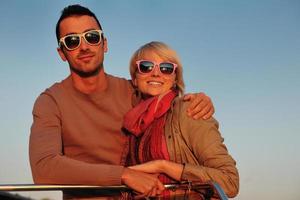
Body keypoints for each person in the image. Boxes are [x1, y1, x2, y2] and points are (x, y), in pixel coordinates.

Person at [29, 4, 215, 199]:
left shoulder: (134, 92)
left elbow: (170, 105)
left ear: (104, 43)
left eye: (92, 37)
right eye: (72, 41)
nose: (84, 47)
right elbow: (44, 168)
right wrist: (123, 175)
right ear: (62, 53)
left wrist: (199, 99)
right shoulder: (50, 102)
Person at [123, 41, 239, 199]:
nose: (156, 73)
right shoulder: (132, 122)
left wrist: (163, 166)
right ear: (135, 78)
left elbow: (230, 181)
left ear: (175, 79)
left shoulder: (189, 110)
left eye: (166, 68)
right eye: (146, 66)